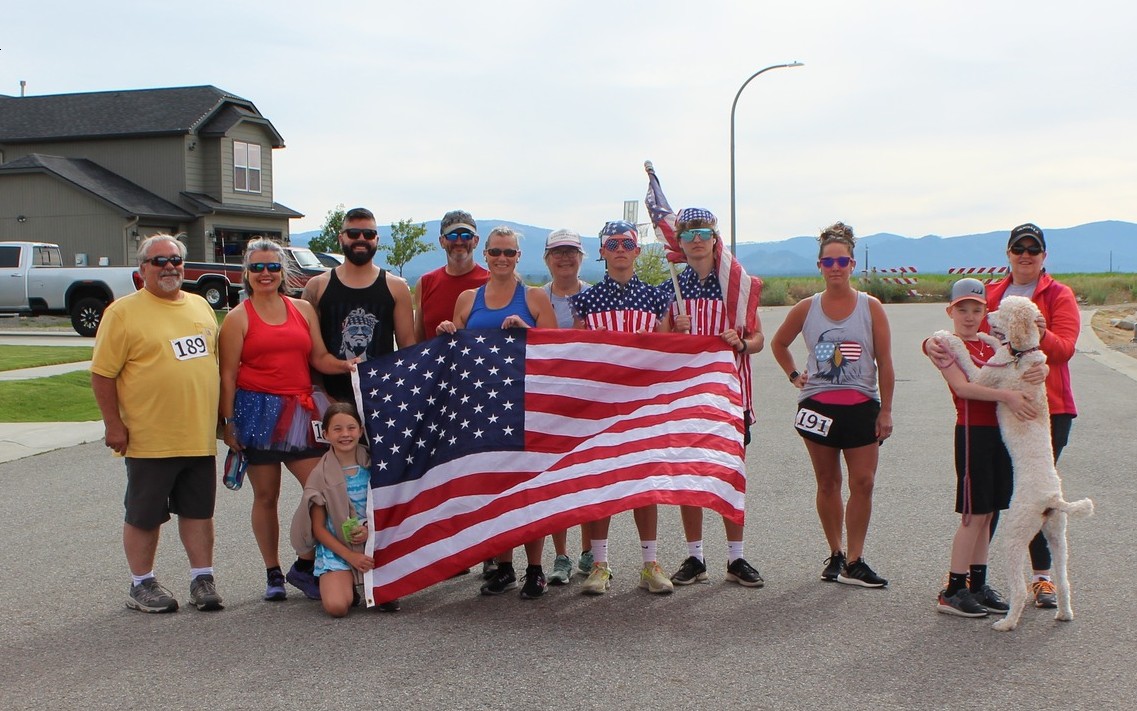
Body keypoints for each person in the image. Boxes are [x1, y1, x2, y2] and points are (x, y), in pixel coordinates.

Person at [927, 223, 1080, 608]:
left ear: (1044, 254)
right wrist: (931, 340)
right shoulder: (993, 295)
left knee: (1038, 494)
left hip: (1046, 409)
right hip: (997, 416)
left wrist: (1037, 346)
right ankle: (969, 583)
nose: (1025, 255)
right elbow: (966, 341)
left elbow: (1063, 347)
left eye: (1033, 249)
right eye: (1018, 248)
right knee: (990, 506)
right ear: (1008, 253)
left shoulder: (1058, 294)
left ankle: (1041, 579)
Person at [91, 234, 224, 613]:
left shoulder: (200, 307)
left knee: (199, 511)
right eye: (159, 260)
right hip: (149, 437)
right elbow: (102, 375)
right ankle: (141, 584)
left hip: (197, 435)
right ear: (142, 270)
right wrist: (112, 424)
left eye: (176, 260)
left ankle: (203, 578)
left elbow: (211, 366)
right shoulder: (123, 312)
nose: (169, 266)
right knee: (145, 514)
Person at [218, 238, 357, 602]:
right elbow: (227, 375)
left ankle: (305, 563)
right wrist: (228, 423)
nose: (266, 274)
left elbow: (319, 358)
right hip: (256, 415)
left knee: (322, 486)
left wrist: (346, 366)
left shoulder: (302, 310)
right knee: (266, 496)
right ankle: (272, 572)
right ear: (246, 273)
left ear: (283, 271)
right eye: (258, 268)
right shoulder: (237, 318)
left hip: (299, 412)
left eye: (273, 267)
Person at [770, 222, 894, 588]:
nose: (835, 267)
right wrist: (794, 375)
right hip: (817, 406)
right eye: (828, 262)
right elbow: (779, 344)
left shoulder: (871, 308)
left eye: (842, 261)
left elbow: (885, 363)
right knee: (827, 482)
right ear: (820, 266)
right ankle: (836, 553)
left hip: (862, 405)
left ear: (853, 264)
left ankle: (856, 559)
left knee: (864, 481)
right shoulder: (807, 308)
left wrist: (886, 410)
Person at [437, 226, 557, 598]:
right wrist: (446, 330)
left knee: (528, 488)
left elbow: (557, 350)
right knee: (493, 487)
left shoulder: (534, 297)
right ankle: (503, 565)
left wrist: (528, 331)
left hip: (524, 405)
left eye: (509, 253)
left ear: (519, 257)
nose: (502, 259)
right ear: (484, 255)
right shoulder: (468, 298)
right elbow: (453, 347)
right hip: (480, 406)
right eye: (496, 252)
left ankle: (534, 568)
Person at [569, 220, 675, 596]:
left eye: (626, 243)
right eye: (611, 243)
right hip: (602, 405)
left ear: (637, 250)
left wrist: (680, 331)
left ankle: (650, 563)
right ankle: (600, 564)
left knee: (645, 484)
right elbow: (578, 354)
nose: (618, 249)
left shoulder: (656, 297)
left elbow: (665, 352)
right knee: (601, 482)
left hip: (642, 405)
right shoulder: (585, 300)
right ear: (601, 252)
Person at [662, 208, 765, 588]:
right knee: (690, 476)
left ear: (715, 236)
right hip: (688, 400)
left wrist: (743, 341)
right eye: (689, 235)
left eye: (704, 232)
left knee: (729, 475)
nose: (697, 240)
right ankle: (695, 555)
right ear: (680, 242)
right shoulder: (670, 289)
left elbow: (758, 338)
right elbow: (662, 346)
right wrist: (675, 331)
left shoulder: (736, 285)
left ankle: (736, 557)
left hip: (731, 399)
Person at [927, 278, 1042, 617]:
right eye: (961, 309)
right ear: (950, 311)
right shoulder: (945, 344)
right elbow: (963, 388)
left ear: (986, 313)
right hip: (972, 432)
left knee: (990, 512)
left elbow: (1026, 351)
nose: (968, 316)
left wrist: (1034, 374)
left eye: (976, 309)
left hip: (1000, 433)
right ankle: (953, 589)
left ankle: (978, 584)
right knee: (972, 515)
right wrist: (1007, 395)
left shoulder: (993, 344)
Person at [413, 209, 495, 579]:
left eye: (466, 236)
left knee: (480, 474)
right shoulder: (427, 282)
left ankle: (489, 549)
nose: (459, 243)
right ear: (442, 241)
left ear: (476, 241)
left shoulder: (492, 280)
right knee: (444, 475)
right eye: (453, 236)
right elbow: (416, 338)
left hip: (479, 392)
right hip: (436, 392)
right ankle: (451, 551)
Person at [302, 207, 416, 403]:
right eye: (353, 233)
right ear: (341, 238)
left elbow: (408, 350)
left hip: (382, 399)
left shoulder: (397, 288)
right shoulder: (317, 287)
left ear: (377, 240)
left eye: (369, 234)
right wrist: (321, 397)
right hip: (330, 400)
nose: (361, 238)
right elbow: (307, 351)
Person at [539, 228, 593, 585]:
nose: (564, 258)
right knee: (554, 482)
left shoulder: (595, 296)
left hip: (588, 400)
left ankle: (590, 551)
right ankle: (560, 555)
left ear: (581, 256)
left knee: (587, 479)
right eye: (557, 252)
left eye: (571, 252)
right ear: (546, 259)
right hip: (548, 403)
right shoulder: (535, 298)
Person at [289, 403, 376, 618]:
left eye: (351, 428)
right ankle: (344, 585)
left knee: (386, 599)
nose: (345, 434)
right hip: (338, 548)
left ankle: (369, 585)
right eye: (337, 429)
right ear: (325, 434)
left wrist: (370, 530)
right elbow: (318, 528)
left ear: (361, 431)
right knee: (337, 607)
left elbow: (390, 507)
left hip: (374, 543)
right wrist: (349, 556)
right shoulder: (320, 475)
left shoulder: (375, 465)